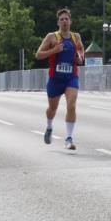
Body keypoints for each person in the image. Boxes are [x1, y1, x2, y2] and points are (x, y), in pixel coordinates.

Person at [35, 8, 85, 150]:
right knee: (52, 108)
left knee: (72, 106)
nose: (64, 21)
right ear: (58, 22)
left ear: (70, 21)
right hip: (55, 79)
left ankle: (69, 138)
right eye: (62, 19)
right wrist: (54, 51)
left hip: (71, 78)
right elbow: (38, 55)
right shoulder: (51, 37)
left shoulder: (76, 37)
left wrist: (80, 57)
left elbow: (81, 49)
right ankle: (49, 127)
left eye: (66, 19)